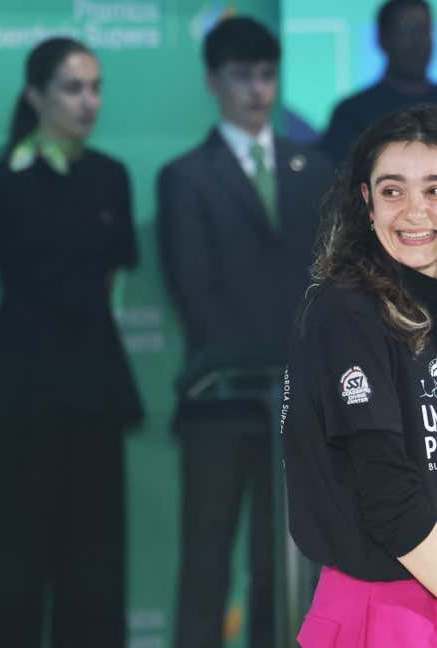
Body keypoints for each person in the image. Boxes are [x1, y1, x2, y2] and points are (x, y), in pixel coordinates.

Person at [282, 105, 437, 648]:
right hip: (377, 609)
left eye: (436, 189)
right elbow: (388, 495)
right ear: (366, 204)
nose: (414, 212)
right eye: (393, 191)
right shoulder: (348, 310)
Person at [0, 36, 141, 647]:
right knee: (11, 566)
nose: (88, 101)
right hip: (19, 395)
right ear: (35, 96)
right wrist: (4, 381)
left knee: (95, 563)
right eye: (72, 87)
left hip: (94, 390)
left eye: (96, 87)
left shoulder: (111, 177)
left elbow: (108, 283)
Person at [156, 16, 333, 648]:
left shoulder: (314, 168)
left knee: (280, 564)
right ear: (212, 81)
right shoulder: (184, 176)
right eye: (241, 76)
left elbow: (326, 281)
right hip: (219, 399)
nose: (256, 90)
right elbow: (192, 291)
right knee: (206, 560)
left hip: (296, 405)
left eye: (266, 75)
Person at [319, 0, 437, 166]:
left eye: (425, 30)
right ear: (382, 38)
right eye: (407, 30)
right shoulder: (352, 113)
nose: (418, 41)